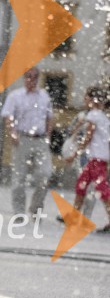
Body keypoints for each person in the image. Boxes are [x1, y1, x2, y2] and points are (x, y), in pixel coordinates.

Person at [0, 67, 53, 219]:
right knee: (19, 178)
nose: (32, 80)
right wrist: (12, 133)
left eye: (35, 77)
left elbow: (50, 117)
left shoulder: (44, 96)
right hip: (22, 139)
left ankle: (35, 208)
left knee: (44, 175)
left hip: (40, 139)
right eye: (29, 76)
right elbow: (8, 116)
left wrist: (48, 135)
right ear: (24, 78)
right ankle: (19, 212)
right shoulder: (15, 96)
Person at [62, 86, 110, 231]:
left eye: (87, 97)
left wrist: (74, 154)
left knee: (102, 191)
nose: (85, 100)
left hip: (96, 159)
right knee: (81, 186)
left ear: (93, 100)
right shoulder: (103, 117)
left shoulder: (93, 116)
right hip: (97, 159)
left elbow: (88, 137)